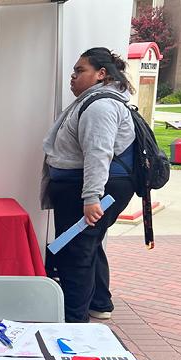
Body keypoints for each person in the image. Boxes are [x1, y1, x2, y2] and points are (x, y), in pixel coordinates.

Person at [43, 48, 136, 323]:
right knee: (88, 245)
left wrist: (91, 198)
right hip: (83, 189)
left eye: (80, 70)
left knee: (76, 254)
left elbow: (99, 153)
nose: (73, 77)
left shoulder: (100, 106)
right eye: (74, 71)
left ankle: (74, 321)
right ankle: (99, 302)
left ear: (101, 74)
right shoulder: (95, 101)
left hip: (87, 190)